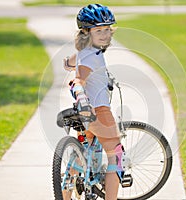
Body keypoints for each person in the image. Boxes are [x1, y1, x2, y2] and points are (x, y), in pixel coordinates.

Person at [63, 4, 125, 200]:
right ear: (86, 31)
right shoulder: (92, 57)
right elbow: (78, 80)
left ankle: (63, 195)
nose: (105, 35)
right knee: (116, 156)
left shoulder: (87, 50)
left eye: (107, 30)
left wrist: (68, 63)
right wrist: (81, 96)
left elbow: (73, 62)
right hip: (99, 111)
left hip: (85, 115)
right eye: (99, 30)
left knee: (83, 156)